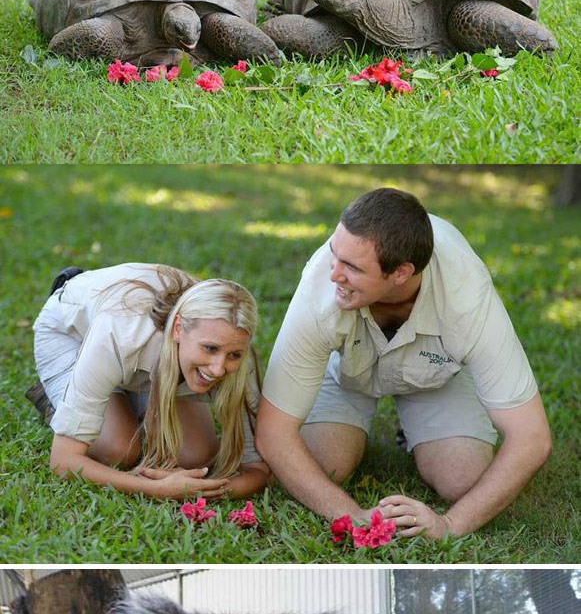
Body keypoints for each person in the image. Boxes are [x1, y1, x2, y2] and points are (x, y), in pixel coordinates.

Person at [255, 189, 552, 538]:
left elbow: (532, 438)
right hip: (351, 369)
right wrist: (352, 516)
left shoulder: (467, 296)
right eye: (335, 253)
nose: (334, 273)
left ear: (400, 273)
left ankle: (420, 430)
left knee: (463, 479)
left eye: (351, 267)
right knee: (321, 466)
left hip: (435, 375)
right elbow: (274, 434)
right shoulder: (322, 285)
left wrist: (449, 525)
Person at [30, 263, 270, 501]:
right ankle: (61, 400)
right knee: (120, 449)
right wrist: (158, 490)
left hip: (149, 361)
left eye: (234, 355)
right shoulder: (120, 332)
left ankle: (123, 395)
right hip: (71, 335)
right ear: (178, 329)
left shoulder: (236, 356)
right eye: (209, 348)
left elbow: (258, 469)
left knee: (197, 455)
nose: (218, 369)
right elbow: (63, 461)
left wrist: (204, 491)